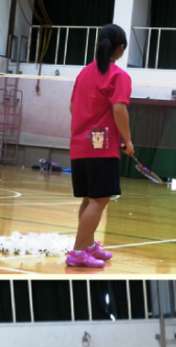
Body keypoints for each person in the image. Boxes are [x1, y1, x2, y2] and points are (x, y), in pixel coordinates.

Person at [67, 23, 134, 269]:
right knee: (99, 200)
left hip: (79, 145)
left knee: (89, 198)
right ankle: (78, 252)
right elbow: (119, 109)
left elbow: (72, 107)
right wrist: (127, 139)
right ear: (121, 48)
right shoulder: (119, 76)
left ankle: (88, 244)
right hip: (101, 147)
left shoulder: (84, 73)